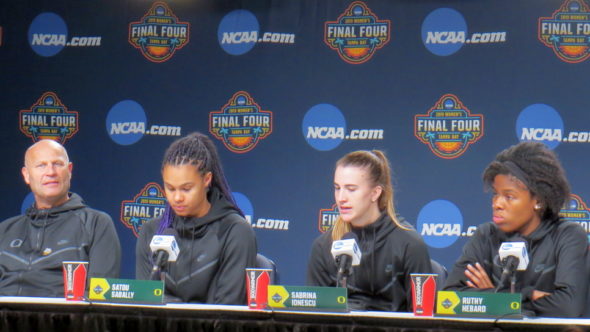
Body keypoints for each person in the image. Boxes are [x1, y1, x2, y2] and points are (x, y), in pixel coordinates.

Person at [443, 141, 588, 318]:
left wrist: (496, 296)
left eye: (509, 197)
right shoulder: (485, 235)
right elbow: (448, 300)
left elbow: (567, 308)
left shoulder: (568, 236)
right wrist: (527, 297)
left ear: (538, 200)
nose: (497, 204)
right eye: (496, 194)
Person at [136, 132, 257, 304]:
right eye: (170, 188)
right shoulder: (151, 231)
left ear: (207, 179)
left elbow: (228, 312)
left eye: (186, 189)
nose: (177, 198)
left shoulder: (235, 231)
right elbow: (145, 304)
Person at [307, 150, 432, 311]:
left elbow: (423, 319)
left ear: (375, 193)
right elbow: (313, 316)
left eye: (351, 189)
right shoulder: (323, 246)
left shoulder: (410, 244)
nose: (341, 198)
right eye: (337, 188)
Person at [0, 140, 121, 297]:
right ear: (27, 175)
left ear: (69, 170)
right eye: (41, 165)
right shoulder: (5, 230)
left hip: (64, 319)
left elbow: (100, 296)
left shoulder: (96, 224)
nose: (50, 172)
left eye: (57, 164)